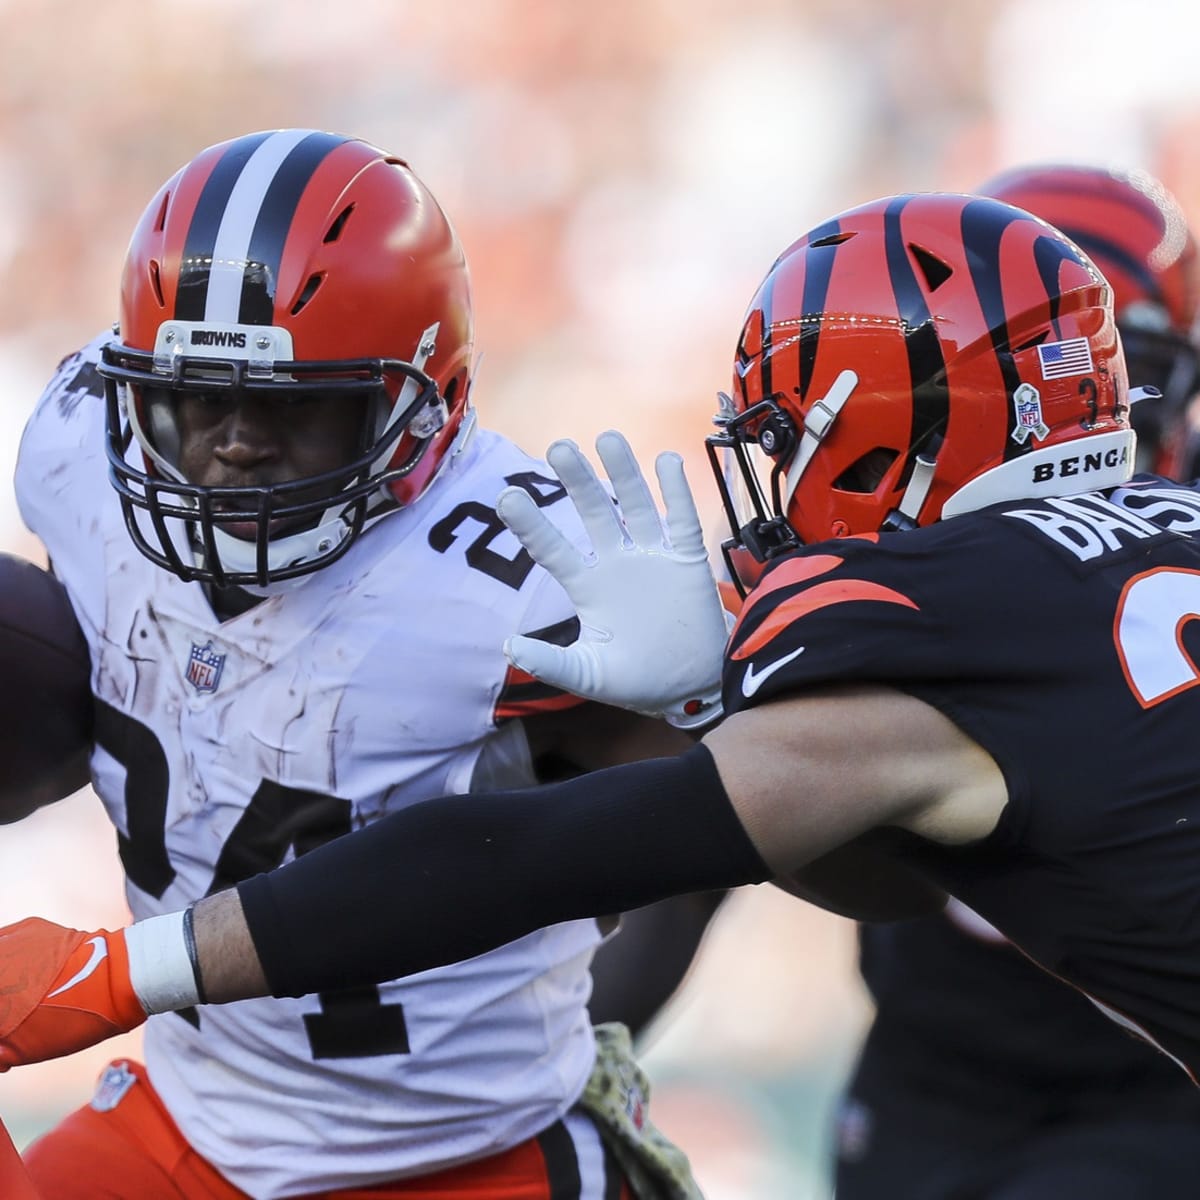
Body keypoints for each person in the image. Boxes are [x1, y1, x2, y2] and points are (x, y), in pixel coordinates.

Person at [10, 191, 1200, 1129]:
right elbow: (888, 866)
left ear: (889, 433)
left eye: (785, 441)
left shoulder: (935, 610)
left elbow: (528, 858)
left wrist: (127, 973)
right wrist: (706, 699)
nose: (772, 489)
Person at [0, 128, 718, 1200]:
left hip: (459, 1156)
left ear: (426, 403)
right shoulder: (76, 458)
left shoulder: (517, 573)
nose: (236, 442)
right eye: (199, 399)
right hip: (186, 1128)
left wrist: (713, 704)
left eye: (296, 405)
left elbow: (765, 813)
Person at [832, 163, 1200, 1200]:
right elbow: (712, 841)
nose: (1080, 428)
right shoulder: (899, 531)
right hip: (935, 1058)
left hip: (1152, 1079)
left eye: (1125, 385)